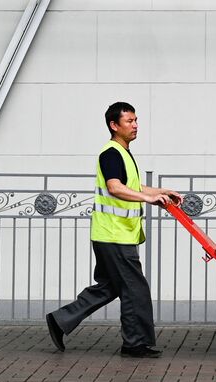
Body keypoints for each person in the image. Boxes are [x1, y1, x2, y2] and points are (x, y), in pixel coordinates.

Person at [46, 102, 182, 358]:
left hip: (113, 235)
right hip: (113, 236)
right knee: (135, 288)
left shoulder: (123, 152)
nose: (135, 125)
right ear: (114, 125)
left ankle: (60, 320)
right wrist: (149, 200)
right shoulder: (111, 153)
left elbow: (134, 186)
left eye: (136, 120)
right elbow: (115, 188)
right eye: (129, 121)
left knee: (110, 287)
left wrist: (162, 192)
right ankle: (135, 344)